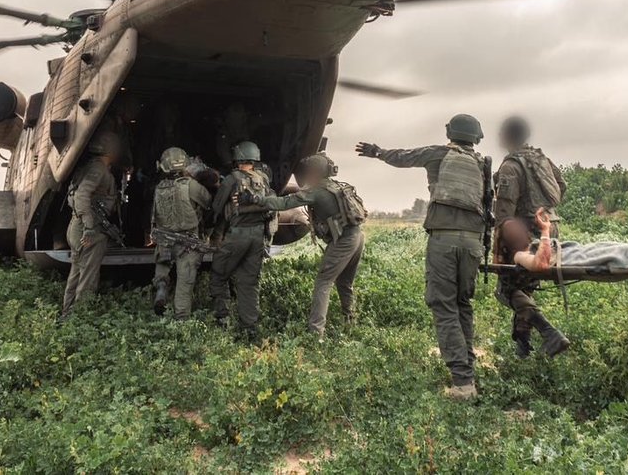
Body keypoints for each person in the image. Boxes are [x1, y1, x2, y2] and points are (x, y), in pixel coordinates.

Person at [356, 114, 490, 400]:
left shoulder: (438, 154)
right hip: (473, 243)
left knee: (443, 305)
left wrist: (377, 152)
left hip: (444, 239)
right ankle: (468, 368)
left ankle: (463, 382)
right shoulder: (482, 164)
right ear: (476, 137)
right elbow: (489, 204)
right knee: (463, 304)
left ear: (450, 133)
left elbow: (404, 157)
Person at [243, 153, 366, 337]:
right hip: (357, 236)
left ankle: (316, 333)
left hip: (343, 241)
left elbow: (284, 203)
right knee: (345, 283)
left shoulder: (316, 191)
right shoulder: (335, 186)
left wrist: (256, 199)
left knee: (323, 283)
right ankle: (350, 322)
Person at [492, 116, 570, 359]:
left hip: (525, 233)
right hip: (550, 228)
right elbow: (561, 186)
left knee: (506, 289)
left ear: (506, 137)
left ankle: (550, 333)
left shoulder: (510, 166)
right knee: (523, 289)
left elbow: (503, 214)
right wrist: (544, 212)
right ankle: (523, 349)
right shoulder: (542, 159)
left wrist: (499, 249)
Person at [209, 141, 274, 340]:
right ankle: (250, 328)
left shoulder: (232, 179)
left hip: (237, 235)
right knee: (249, 282)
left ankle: (222, 319)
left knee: (219, 275)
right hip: (258, 236)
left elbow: (217, 207)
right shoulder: (263, 179)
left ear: (237, 158)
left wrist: (213, 230)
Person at [60, 124, 123, 320]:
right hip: (89, 230)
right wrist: (88, 226)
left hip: (78, 227)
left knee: (77, 272)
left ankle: (67, 314)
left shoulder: (90, 165)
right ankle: (80, 319)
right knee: (88, 276)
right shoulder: (98, 169)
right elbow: (81, 195)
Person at [150, 146, 213, 320]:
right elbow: (208, 202)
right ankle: (181, 318)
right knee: (185, 282)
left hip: (165, 239)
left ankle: (162, 286)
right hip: (188, 241)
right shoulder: (191, 186)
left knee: (162, 266)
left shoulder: (159, 188)